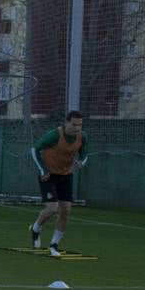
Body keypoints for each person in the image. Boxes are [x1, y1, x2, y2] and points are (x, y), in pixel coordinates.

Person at [29, 110, 87, 258]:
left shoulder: (82, 136)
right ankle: (35, 229)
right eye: (74, 124)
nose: (76, 128)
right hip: (48, 175)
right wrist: (42, 170)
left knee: (66, 210)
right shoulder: (55, 135)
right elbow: (34, 149)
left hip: (65, 176)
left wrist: (82, 162)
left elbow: (85, 152)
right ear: (67, 122)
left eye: (79, 125)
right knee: (51, 209)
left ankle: (54, 245)